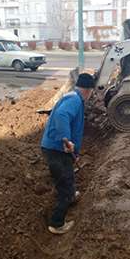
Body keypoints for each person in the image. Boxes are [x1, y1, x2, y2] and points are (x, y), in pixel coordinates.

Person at [41, 73, 95, 234]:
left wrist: (73, 148)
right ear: (88, 91)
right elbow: (61, 115)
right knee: (64, 185)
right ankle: (57, 224)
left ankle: (71, 196)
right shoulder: (75, 100)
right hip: (56, 150)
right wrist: (66, 139)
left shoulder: (73, 96)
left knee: (68, 175)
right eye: (91, 92)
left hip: (58, 150)